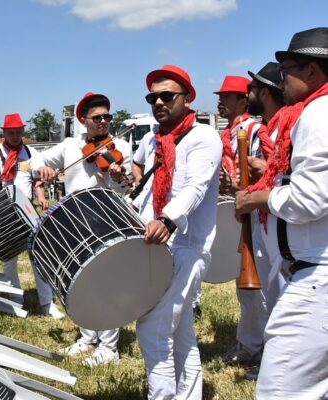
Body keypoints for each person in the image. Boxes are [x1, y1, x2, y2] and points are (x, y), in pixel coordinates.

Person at [235, 27, 328, 398]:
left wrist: (259, 199)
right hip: (313, 273)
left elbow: (311, 199)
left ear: (312, 72)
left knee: (279, 390)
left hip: (317, 277)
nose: (281, 78)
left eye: (286, 67)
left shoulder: (319, 112)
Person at [131, 65, 222, 399]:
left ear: (188, 98)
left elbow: (196, 187)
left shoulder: (203, 137)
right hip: (162, 246)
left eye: (166, 96)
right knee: (181, 332)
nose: (158, 102)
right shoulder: (159, 140)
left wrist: (167, 219)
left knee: (153, 330)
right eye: (152, 97)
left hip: (186, 246)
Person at [34, 93, 131, 366]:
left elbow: (128, 187)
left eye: (107, 117)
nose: (103, 122)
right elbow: (35, 162)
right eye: (97, 118)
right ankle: (88, 337)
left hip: (108, 218)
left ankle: (109, 347)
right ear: (83, 120)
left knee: (108, 282)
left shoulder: (120, 144)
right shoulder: (69, 146)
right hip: (76, 220)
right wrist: (43, 171)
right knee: (82, 282)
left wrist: (116, 176)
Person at [220, 64, 288, 372]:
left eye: (251, 90)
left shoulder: (265, 131)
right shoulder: (268, 128)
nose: (248, 95)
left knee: (272, 294)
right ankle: (254, 347)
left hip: (271, 219)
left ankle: (268, 355)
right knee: (254, 291)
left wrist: (240, 185)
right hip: (257, 218)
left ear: (263, 94)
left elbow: (281, 178)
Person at [0, 113, 61, 320]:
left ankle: (46, 303)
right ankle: (16, 300)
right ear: (4, 132)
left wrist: (45, 170)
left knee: (39, 258)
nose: (15, 136)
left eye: (19, 132)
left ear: (23, 131)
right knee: (9, 261)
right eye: (11, 132)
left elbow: (39, 168)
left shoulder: (30, 153)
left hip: (27, 210)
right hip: (2, 212)